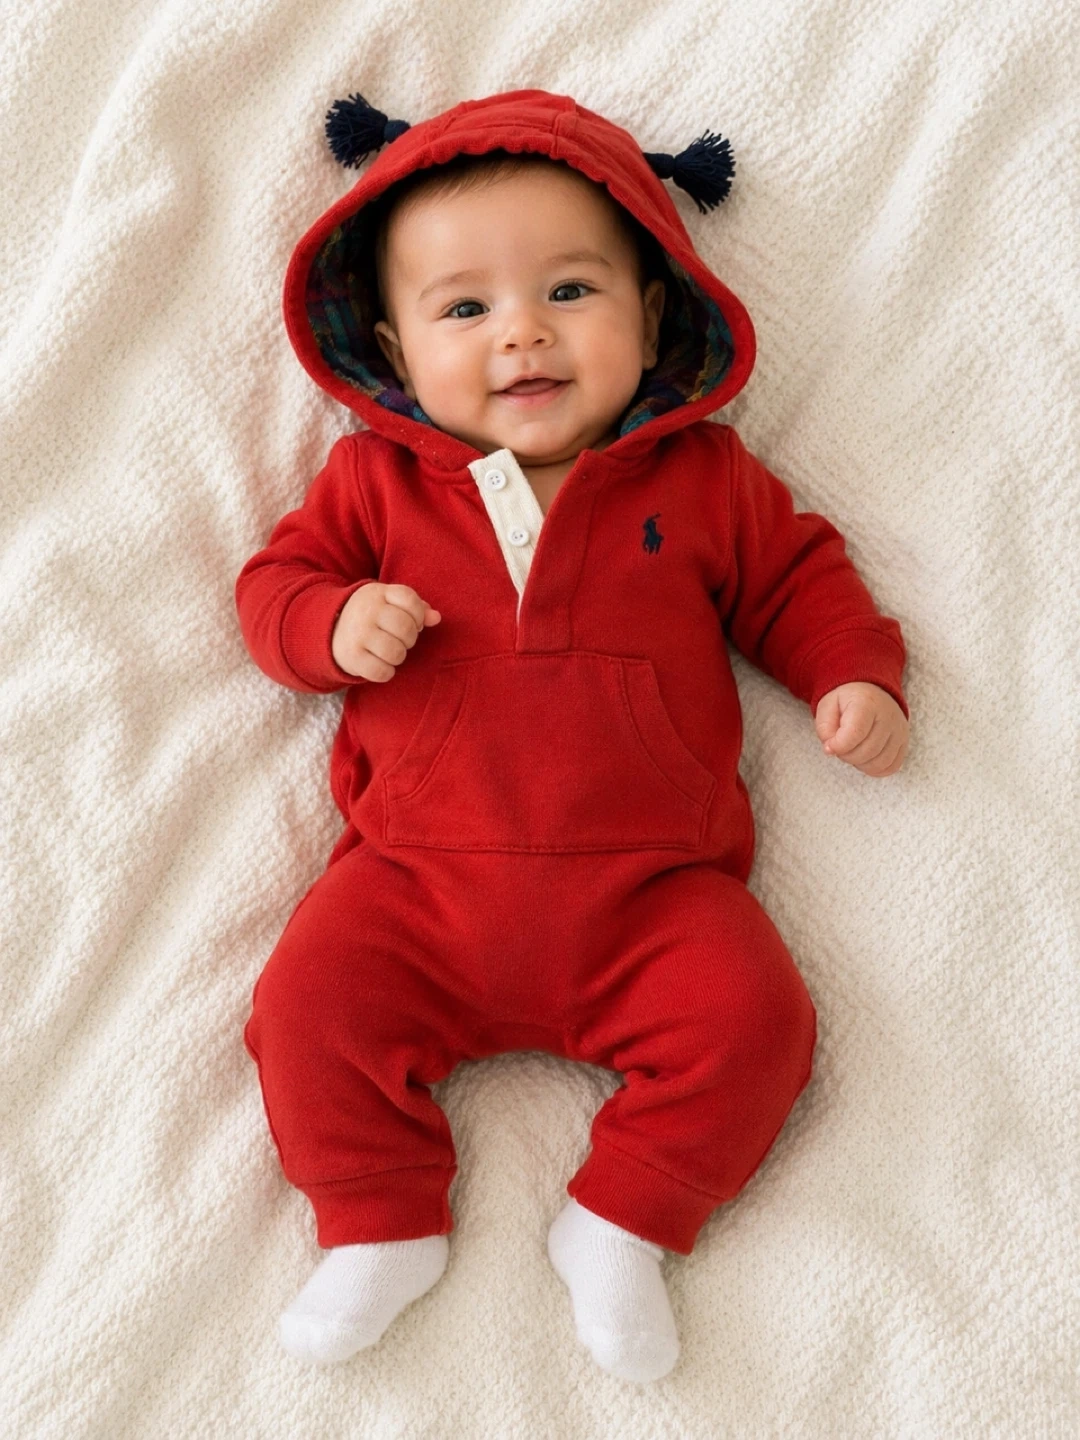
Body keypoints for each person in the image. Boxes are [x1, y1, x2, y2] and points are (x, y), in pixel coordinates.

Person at [235, 88, 910, 1383]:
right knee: (307, 1008)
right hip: (413, 889)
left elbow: (799, 580)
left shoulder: (703, 480)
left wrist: (853, 674)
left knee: (759, 1022)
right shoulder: (375, 484)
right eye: (465, 309)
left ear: (653, 316)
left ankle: (621, 1222)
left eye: (571, 291)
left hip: (651, 897)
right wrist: (330, 621)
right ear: (391, 348)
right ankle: (380, 1221)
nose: (523, 333)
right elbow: (272, 589)